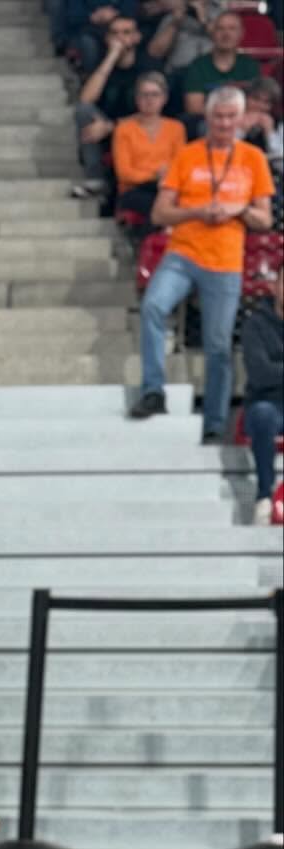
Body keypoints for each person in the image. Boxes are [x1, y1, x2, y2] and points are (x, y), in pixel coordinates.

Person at [131, 86, 275, 438]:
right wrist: (198, 211)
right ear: (207, 118)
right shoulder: (187, 155)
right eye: (218, 116)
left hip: (226, 260)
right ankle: (153, 390)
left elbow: (266, 219)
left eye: (230, 117)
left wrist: (237, 210)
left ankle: (213, 424)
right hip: (182, 251)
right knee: (152, 307)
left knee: (218, 345)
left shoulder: (253, 158)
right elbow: (159, 210)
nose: (224, 123)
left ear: (240, 119)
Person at [71, 13, 161, 197]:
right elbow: (85, 100)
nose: (121, 38)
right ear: (107, 38)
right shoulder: (102, 64)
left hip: (140, 128)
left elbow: (152, 109)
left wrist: (112, 126)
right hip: (105, 129)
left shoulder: (148, 66)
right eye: (115, 33)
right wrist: (111, 58)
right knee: (83, 112)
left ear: (137, 37)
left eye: (126, 32)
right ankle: (95, 178)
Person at [107, 68, 185, 229]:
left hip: (167, 188)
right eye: (144, 95)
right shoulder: (124, 129)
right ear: (137, 99)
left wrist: (165, 178)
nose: (149, 100)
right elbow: (125, 174)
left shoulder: (176, 128)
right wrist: (155, 175)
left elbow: (180, 165)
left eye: (155, 95)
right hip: (134, 191)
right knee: (156, 206)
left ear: (164, 98)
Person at [241, 263, 283, 524]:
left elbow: (271, 371)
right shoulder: (255, 325)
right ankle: (264, 496)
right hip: (269, 405)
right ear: (275, 287)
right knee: (263, 415)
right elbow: (260, 375)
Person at [180, 10, 260, 130]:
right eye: (220, 29)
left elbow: (257, 103)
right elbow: (194, 107)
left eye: (232, 29)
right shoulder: (198, 66)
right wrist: (223, 117)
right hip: (208, 123)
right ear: (212, 33)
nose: (226, 34)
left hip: (243, 123)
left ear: (241, 34)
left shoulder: (250, 65)